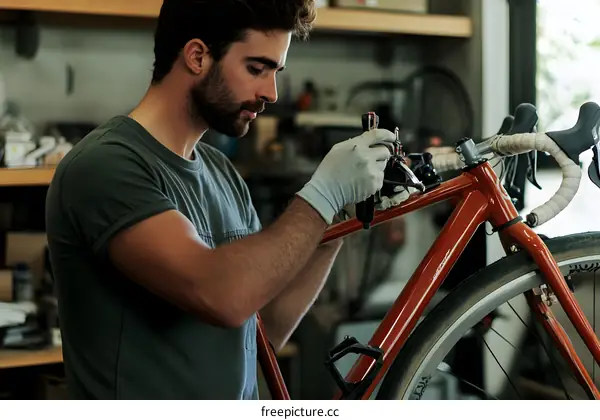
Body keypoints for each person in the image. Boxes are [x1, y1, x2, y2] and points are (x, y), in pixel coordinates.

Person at [45, 0, 407, 400]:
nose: (270, 93)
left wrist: (335, 221)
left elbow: (261, 325)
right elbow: (221, 296)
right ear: (197, 56)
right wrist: (323, 194)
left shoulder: (221, 172)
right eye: (256, 68)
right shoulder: (106, 166)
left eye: (276, 71)